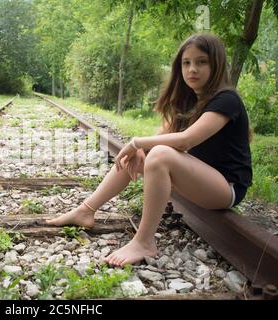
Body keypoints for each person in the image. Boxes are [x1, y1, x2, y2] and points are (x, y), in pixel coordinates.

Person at [46, 33, 252, 267]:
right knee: (144, 153)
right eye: (186, 63)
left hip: (226, 188)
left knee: (158, 154)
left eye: (201, 61)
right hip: (199, 179)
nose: (192, 69)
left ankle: (144, 241)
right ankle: (86, 210)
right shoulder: (187, 99)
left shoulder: (227, 100)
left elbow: (185, 141)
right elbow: (160, 137)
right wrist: (139, 149)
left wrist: (137, 143)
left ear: (216, 64)